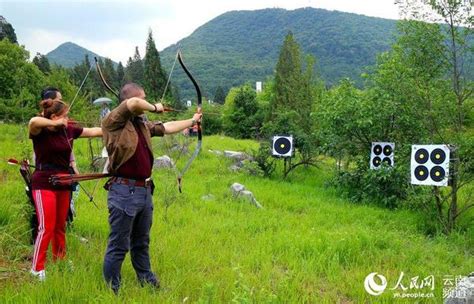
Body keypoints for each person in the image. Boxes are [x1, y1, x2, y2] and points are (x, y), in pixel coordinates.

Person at [101, 83, 202, 294]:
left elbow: (167, 127)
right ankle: (112, 291)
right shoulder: (113, 121)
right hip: (123, 191)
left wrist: (192, 120)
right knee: (119, 246)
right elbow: (134, 103)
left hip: (144, 191)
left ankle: (147, 282)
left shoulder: (141, 124)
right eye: (143, 99)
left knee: (141, 242)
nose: (145, 103)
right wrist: (155, 107)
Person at [28, 98, 102, 281]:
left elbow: (93, 131)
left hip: (64, 181)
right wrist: (55, 123)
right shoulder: (40, 130)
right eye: (65, 116)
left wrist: (116, 125)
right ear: (54, 116)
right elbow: (33, 121)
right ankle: (37, 268)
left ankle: (59, 259)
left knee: (60, 225)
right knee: (46, 227)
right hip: (44, 181)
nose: (68, 119)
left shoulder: (68, 130)